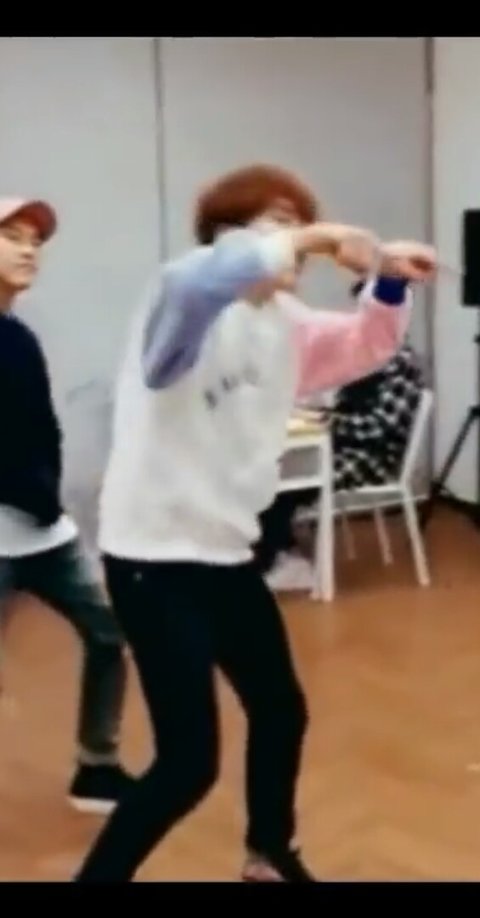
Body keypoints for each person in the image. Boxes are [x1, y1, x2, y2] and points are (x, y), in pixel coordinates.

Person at [74, 164, 436, 882]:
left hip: (225, 556)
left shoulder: (285, 322)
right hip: (153, 560)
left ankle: (268, 851)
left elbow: (362, 347)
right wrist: (320, 235)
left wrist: (389, 282)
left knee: (280, 709)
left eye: (299, 222)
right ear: (225, 238)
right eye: (278, 224)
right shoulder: (183, 301)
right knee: (188, 764)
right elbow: (201, 280)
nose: (297, 241)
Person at [0, 197, 130, 814]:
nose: (29, 250)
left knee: (110, 634)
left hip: (45, 530)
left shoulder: (19, 334)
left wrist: (48, 499)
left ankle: (97, 768)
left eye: (35, 241)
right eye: (12, 236)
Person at [257, 334, 425, 587]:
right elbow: (345, 404)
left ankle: (270, 561)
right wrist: (322, 411)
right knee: (279, 471)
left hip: (374, 457)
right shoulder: (370, 352)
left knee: (287, 481)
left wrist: (332, 422)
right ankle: (282, 550)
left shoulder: (400, 362)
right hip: (349, 446)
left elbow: (381, 427)